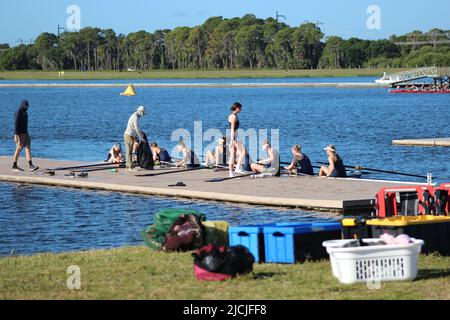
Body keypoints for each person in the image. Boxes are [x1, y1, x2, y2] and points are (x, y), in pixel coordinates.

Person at [12, 100, 39, 172]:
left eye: (27, 106)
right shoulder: (18, 112)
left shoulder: (25, 113)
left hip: (26, 134)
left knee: (28, 149)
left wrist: (26, 133)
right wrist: (15, 135)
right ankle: (14, 166)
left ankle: (31, 165)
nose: (27, 107)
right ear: (23, 105)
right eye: (26, 106)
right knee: (18, 150)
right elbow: (16, 124)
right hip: (19, 134)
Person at [124, 106, 147, 171]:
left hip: (130, 135)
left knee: (129, 151)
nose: (142, 115)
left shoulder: (135, 116)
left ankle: (128, 166)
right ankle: (130, 167)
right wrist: (141, 137)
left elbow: (136, 127)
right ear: (140, 112)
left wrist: (141, 132)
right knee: (129, 152)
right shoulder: (135, 117)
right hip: (128, 136)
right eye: (143, 113)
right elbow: (136, 128)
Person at [228, 102, 246, 176]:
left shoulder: (233, 115)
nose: (241, 109)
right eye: (240, 108)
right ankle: (237, 167)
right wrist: (232, 140)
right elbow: (232, 129)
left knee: (233, 155)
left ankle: (231, 173)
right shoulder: (233, 117)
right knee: (243, 152)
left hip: (233, 137)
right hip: (234, 137)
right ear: (237, 108)